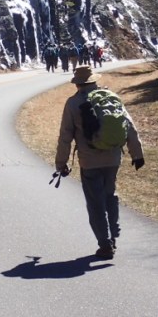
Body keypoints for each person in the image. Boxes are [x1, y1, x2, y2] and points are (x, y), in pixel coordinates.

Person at [54, 66, 144, 259]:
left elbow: (65, 136)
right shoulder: (111, 97)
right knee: (110, 195)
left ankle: (105, 244)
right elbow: (129, 125)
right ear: (94, 80)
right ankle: (114, 234)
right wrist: (137, 154)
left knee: (96, 203)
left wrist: (61, 163)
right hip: (113, 158)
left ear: (77, 84)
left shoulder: (73, 103)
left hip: (89, 160)